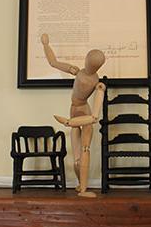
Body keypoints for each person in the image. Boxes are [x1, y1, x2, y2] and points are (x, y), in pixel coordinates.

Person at [41, 33, 106, 198]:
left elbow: (95, 116)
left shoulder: (96, 82)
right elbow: (53, 62)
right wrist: (46, 45)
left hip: (83, 113)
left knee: (84, 149)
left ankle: (84, 189)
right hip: (75, 111)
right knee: (77, 156)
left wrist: (71, 122)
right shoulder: (78, 72)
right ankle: (80, 185)